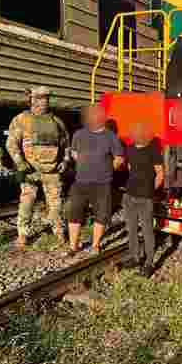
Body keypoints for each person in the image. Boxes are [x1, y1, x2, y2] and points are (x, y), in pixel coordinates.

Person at [6, 86, 71, 250]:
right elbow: (11, 144)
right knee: (27, 203)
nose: (44, 101)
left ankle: (59, 233)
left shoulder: (57, 122)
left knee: (56, 204)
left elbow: (66, 144)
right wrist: (20, 163)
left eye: (46, 98)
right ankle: (22, 235)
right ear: (32, 100)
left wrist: (65, 160)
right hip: (30, 171)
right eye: (40, 98)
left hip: (52, 171)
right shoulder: (21, 119)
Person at [66, 106, 124, 256]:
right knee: (74, 213)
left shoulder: (111, 136)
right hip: (80, 182)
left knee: (102, 214)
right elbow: (73, 152)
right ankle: (73, 247)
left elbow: (119, 158)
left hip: (102, 183)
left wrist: (107, 169)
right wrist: (84, 163)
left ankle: (95, 245)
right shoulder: (79, 134)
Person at [122, 123, 164, 276]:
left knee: (147, 231)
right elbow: (131, 168)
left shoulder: (153, 151)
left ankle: (149, 263)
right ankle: (135, 257)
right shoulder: (130, 149)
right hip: (129, 195)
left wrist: (150, 190)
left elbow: (160, 173)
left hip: (145, 197)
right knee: (131, 229)